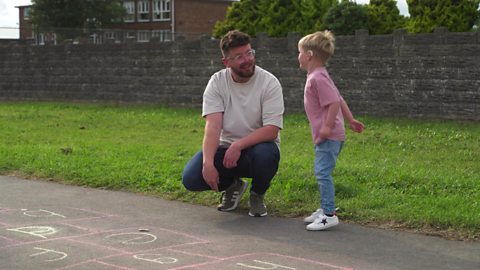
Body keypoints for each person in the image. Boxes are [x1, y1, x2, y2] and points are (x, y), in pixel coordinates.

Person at [182, 30, 284, 217]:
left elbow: (271, 130)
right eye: (239, 57)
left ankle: (257, 194)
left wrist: (239, 144)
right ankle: (233, 185)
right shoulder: (217, 82)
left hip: (257, 148)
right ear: (226, 62)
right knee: (191, 178)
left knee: (266, 155)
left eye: (249, 53)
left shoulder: (269, 83)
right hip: (225, 149)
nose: (247, 60)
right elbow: (213, 127)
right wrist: (208, 163)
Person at [297, 31, 364, 230]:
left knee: (322, 173)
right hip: (332, 135)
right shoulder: (320, 75)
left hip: (329, 135)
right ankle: (325, 207)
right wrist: (350, 119)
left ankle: (329, 214)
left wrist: (326, 126)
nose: (298, 56)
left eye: (299, 52)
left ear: (308, 55)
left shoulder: (317, 78)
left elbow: (334, 101)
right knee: (322, 172)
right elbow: (339, 97)